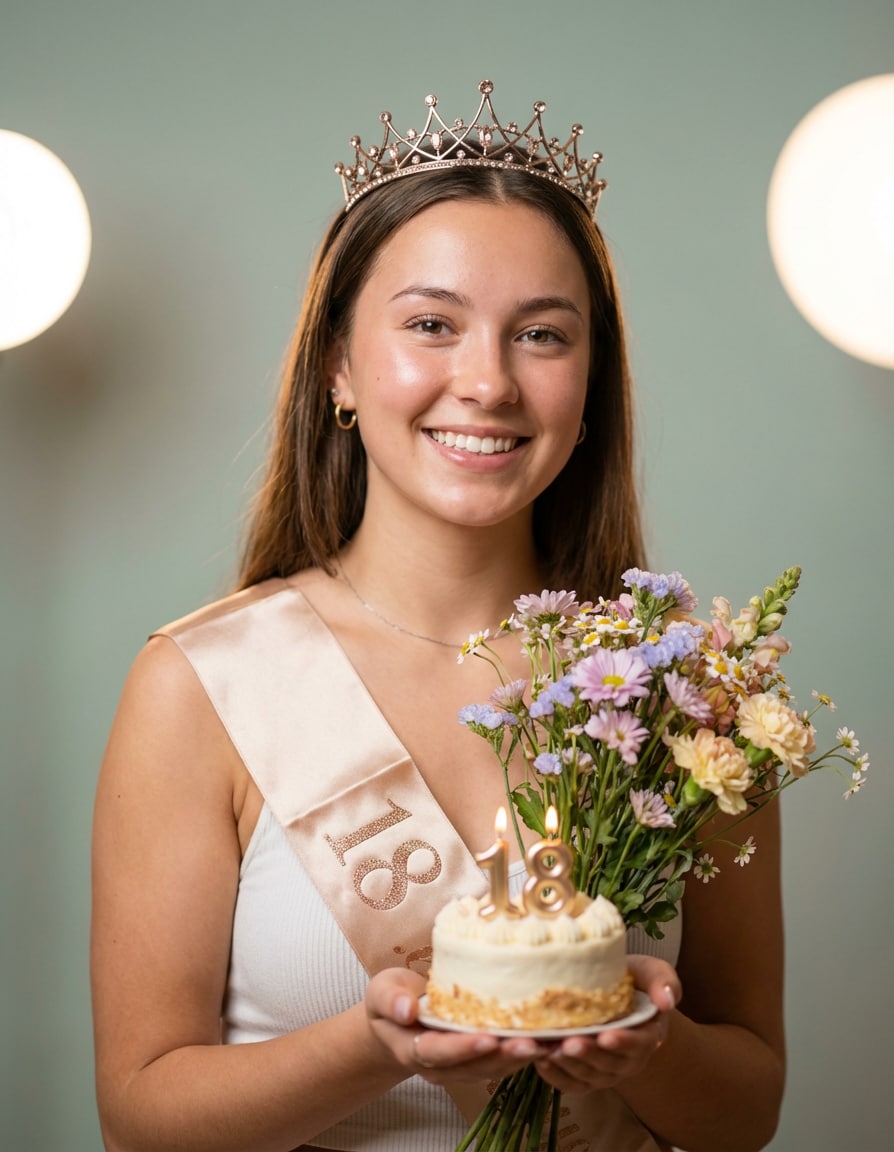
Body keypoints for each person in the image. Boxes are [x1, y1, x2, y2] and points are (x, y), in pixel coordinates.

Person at [91, 80, 785, 1152]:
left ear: (589, 379)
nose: (487, 382)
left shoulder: (688, 692)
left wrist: (655, 1043)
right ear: (339, 365)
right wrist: (376, 1043)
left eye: (542, 336)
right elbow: (141, 1118)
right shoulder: (202, 683)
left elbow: (746, 1110)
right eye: (430, 324)